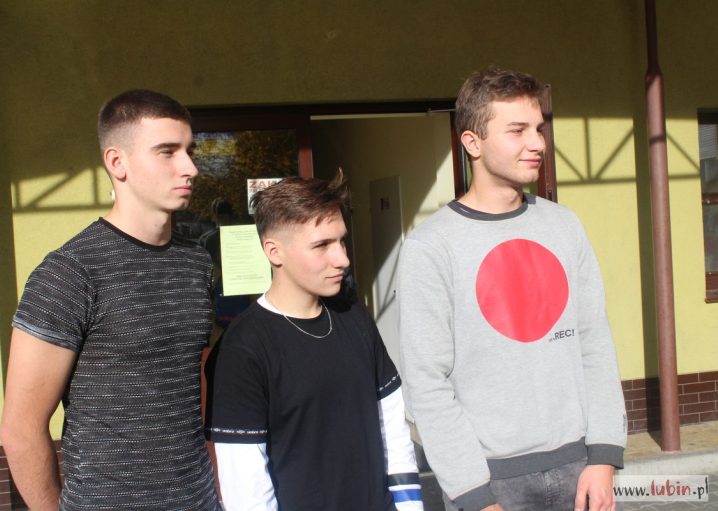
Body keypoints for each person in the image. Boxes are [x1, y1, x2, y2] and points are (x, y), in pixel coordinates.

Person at [398, 67, 627, 511]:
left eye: (539, 129)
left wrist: (603, 457)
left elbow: (595, 344)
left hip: (580, 469)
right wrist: (473, 494)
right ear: (473, 142)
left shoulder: (564, 225)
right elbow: (426, 382)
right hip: (491, 483)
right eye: (518, 130)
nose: (537, 143)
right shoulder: (431, 246)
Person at [0, 90, 220, 511]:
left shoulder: (195, 262)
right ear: (118, 163)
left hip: (200, 500)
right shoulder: (70, 273)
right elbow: (20, 429)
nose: (190, 167)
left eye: (189, 151)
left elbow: (193, 377)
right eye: (167, 152)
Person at [205, 172, 423, 511]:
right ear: (274, 251)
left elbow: (393, 427)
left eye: (341, 241)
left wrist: (410, 506)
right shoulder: (242, 348)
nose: (343, 259)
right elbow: (246, 483)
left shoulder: (354, 317)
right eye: (322, 245)